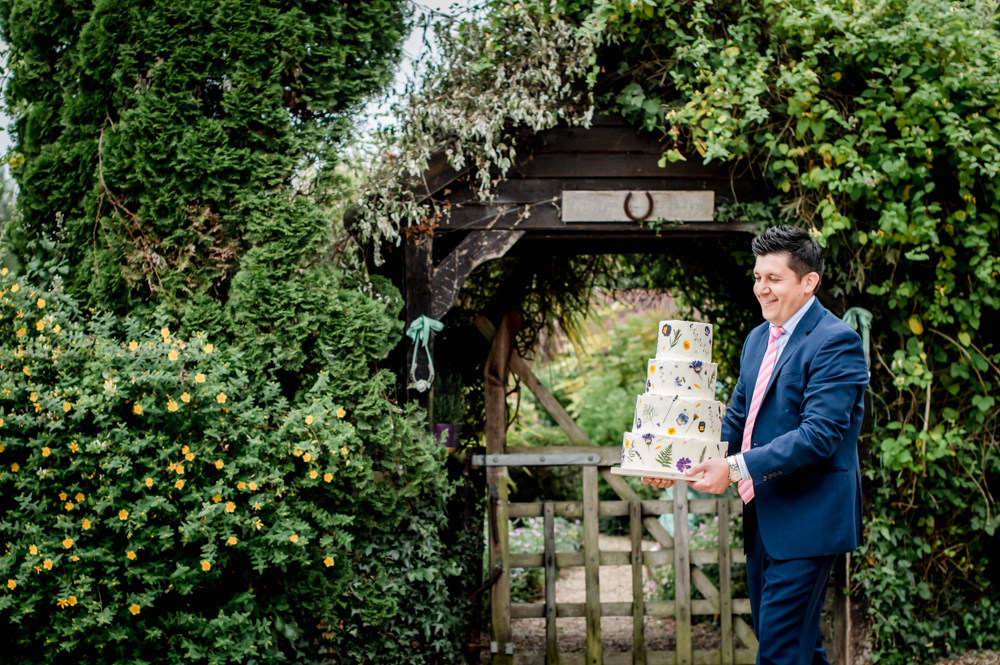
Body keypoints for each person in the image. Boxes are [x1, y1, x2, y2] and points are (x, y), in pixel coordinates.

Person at [642, 225, 868, 665]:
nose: (761, 289)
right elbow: (734, 421)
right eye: (757, 277)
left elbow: (818, 436)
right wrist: (675, 465)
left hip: (809, 520)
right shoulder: (757, 339)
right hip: (764, 517)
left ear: (808, 282)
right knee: (796, 645)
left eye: (773, 279)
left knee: (780, 652)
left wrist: (735, 468)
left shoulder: (836, 341)